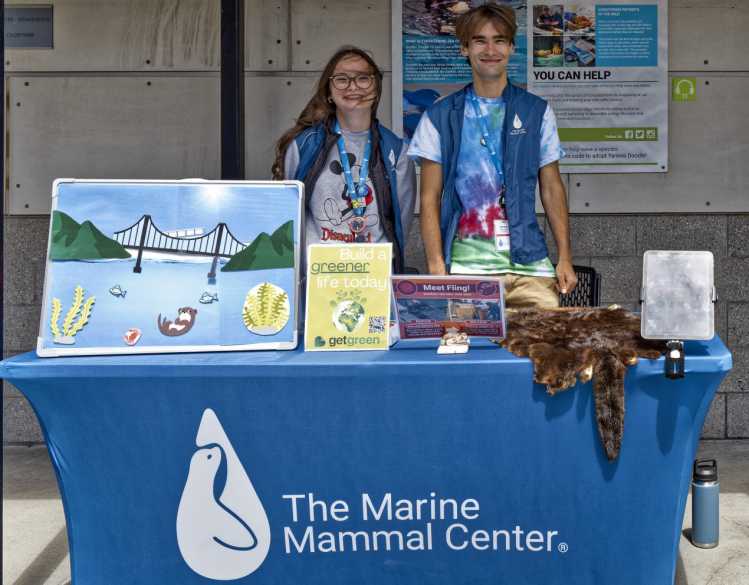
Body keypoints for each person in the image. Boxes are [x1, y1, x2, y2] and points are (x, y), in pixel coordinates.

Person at [408, 3, 577, 309]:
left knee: (542, 353)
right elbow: (429, 198)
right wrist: (436, 265)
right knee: (468, 355)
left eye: (499, 40)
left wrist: (564, 257)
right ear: (464, 49)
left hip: (530, 267)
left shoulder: (536, 111)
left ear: (512, 47)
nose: (490, 49)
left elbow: (552, 187)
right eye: (479, 40)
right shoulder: (439, 115)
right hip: (466, 269)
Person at [272, 46, 415, 273]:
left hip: (374, 272)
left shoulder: (396, 150)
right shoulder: (303, 145)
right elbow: (286, 214)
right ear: (329, 91)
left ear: (376, 87)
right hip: (318, 273)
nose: (353, 86)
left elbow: (401, 222)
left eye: (363, 78)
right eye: (341, 79)